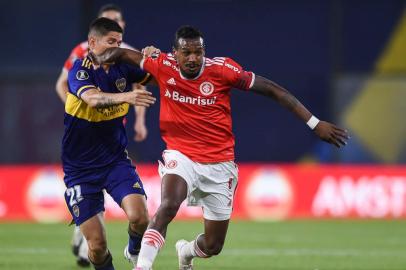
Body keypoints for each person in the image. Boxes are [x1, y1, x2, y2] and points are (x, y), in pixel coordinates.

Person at [91, 25, 349, 270]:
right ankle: (143, 265)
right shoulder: (162, 65)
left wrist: (314, 123)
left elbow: (272, 89)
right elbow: (123, 53)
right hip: (181, 156)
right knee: (168, 205)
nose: (193, 58)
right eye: (186, 52)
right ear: (175, 53)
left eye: (198, 52)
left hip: (220, 164)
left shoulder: (223, 70)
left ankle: (187, 251)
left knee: (213, 245)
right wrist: (96, 57)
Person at [55, 4, 149, 266]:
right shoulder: (80, 69)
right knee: (96, 247)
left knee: (141, 218)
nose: (116, 48)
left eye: (119, 42)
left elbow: (156, 76)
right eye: (111, 42)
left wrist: (155, 58)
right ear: (92, 42)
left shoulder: (125, 64)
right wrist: (128, 96)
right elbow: (93, 99)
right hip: (81, 170)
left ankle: (133, 251)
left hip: (115, 160)